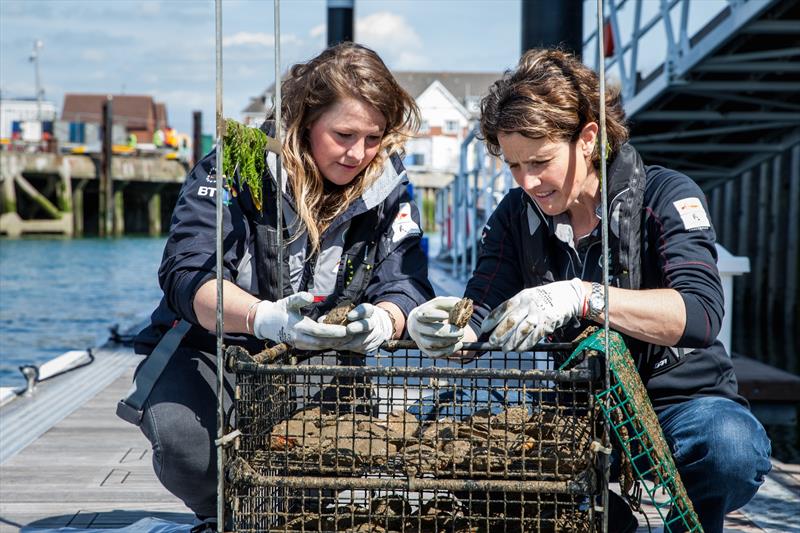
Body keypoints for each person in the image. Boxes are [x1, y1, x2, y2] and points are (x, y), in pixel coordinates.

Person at [407, 48, 771, 533]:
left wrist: (582, 296)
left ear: (588, 138)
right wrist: (442, 328)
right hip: (573, 405)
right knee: (439, 425)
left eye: (540, 161)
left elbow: (700, 314)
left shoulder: (666, 196)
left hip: (678, 401)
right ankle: (598, 517)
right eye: (514, 166)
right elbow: (480, 310)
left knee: (730, 446)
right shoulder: (517, 214)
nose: (528, 181)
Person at [128, 42, 434, 525]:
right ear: (306, 120)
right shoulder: (231, 168)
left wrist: (386, 318)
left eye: (373, 138)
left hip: (322, 359)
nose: (358, 153)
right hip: (211, 350)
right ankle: (220, 514)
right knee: (191, 450)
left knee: (324, 471)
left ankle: (291, 511)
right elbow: (188, 273)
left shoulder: (391, 190)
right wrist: (260, 316)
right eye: (343, 134)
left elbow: (407, 279)